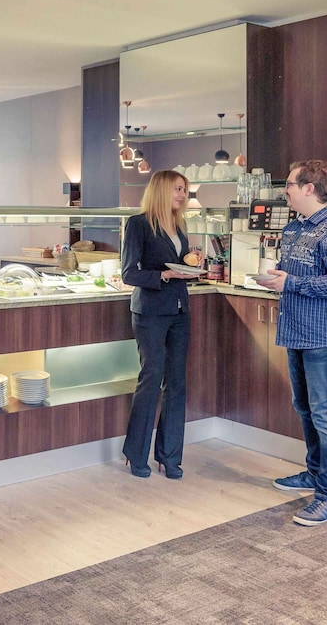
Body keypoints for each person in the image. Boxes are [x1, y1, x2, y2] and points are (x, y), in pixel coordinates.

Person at [257, 159, 327, 527]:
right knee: (304, 408)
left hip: (325, 336)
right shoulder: (294, 228)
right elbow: (294, 276)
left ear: (308, 188)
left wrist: (292, 284)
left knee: (326, 415)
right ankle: (315, 473)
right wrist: (277, 280)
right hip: (296, 331)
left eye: (289, 184)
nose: (284, 190)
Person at [120, 170, 201, 479]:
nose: (182, 195)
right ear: (161, 190)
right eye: (177, 189)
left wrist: (192, 262)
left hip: (180, 310)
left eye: (184, 190)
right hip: (150, 312)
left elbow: (180, 265)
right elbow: (129, 274)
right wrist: (164, 275)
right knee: (152, 378)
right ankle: (135, 453)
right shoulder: (138, 224)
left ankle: (169, 456)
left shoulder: (180, 225)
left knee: (177, 383)